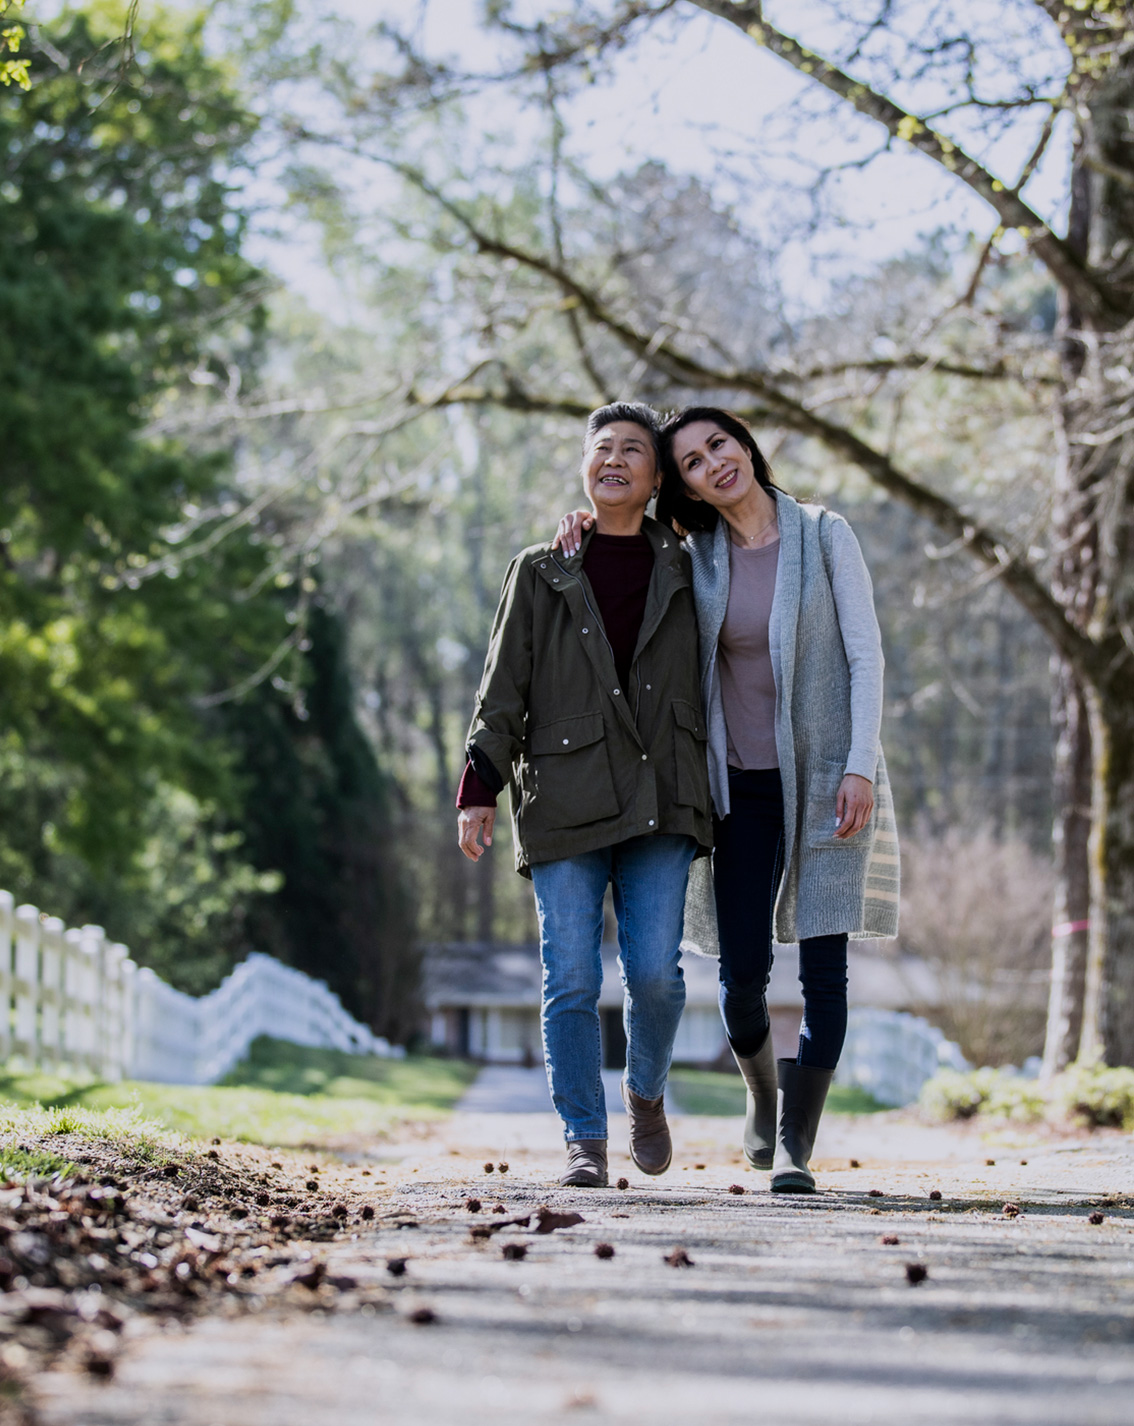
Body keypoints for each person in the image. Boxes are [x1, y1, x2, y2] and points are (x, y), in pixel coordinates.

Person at [555, 406, 899, 1193]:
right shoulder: (692, 556)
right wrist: (583, 522)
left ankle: (795, 1148)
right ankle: (762, 1093)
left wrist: (859, 768)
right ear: (690, 488)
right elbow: (623, 554)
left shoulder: (824, 534)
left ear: (745, 444)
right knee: (741, 971)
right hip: (738, 784)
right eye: (695, 463)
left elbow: (865, 655)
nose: (715, 463)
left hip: (827, 777)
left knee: (824, 968)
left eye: (721, 445)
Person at [457, 402, 712, 1188]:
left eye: (633, 450)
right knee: (569, 976)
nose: (615, 460)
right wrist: (478, 787)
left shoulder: (695, 564)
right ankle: (583, 1139)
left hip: (664, 793)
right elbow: (504, 685)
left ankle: (644, 1093)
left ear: (657, 476)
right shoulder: (541, 568)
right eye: (601, 448)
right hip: (565, 795)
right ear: (583, 467)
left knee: (657, 976)